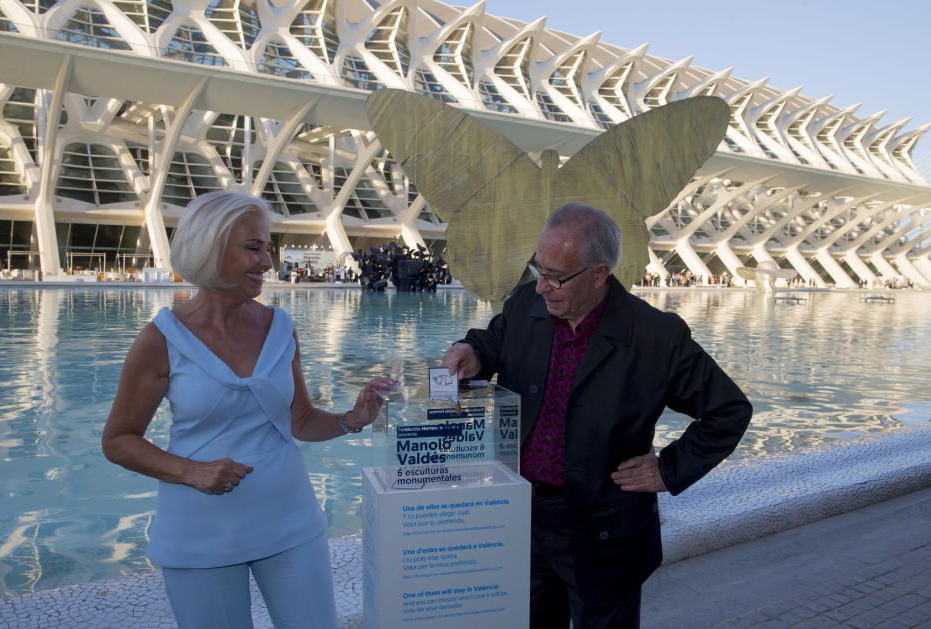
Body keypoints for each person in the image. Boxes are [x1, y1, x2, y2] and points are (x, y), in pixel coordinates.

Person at [442, 204, 752, 629]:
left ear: (600, 274)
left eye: (556, 276)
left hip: (602, 528)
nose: (542, 287)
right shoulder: (525, 304)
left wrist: (668, 469)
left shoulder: (654, 337)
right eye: (538, 268)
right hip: (524, 518)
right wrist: (472, 352)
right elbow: (495, 340)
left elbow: (728, 411)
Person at [102, 191, 395, 629]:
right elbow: (118, 440)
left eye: (267, 248)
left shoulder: (281, 327)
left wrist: (353, 419)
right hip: (201, 531)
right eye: (254, 248)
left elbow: (299, 421)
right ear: (211, 248)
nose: (268, 263)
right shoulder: (160, 339)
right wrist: (192, 471)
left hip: (290, 519)